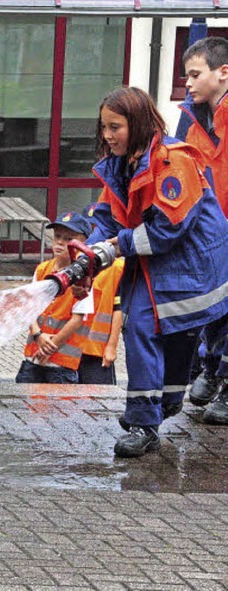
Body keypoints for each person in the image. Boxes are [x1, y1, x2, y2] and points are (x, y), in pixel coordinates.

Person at [87, 86, 228, 458]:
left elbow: (167, 230)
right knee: (156, 331)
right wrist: (88, 249)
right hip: (156, 268)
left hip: (191, 268)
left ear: (136, 123)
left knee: (160, 331)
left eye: (114, 127)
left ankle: (148, 418)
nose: (107, 136)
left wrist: (115, 246)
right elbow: (107, 214)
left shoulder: (172, 161)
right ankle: (155, 411)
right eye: (104, 127)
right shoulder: (124, 161)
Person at [175, 36, 228, 422]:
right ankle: (213, 371)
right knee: (214, 309)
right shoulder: (195, 122)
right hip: (212, 235)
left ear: (223, 72)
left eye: (195, 75)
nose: (188, 83)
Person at [15, 213, 94, 385]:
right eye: (57, 236)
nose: (60, 242)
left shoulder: (84, 277)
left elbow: (78, 319)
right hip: (33, 357)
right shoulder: (43, 269)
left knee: (58, 409)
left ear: (82, 244)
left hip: (62, 364)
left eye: (68, 239)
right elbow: (30, 307)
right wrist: (38, 335)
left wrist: (51, 346)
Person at [78, 203, 124, 385]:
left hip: (97, 349)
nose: (94, 234)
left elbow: (118, 308)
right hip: (72, 347)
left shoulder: (118, 267)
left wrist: (111, 347)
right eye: (90, 229)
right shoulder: (77, 263)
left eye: (98, 229)